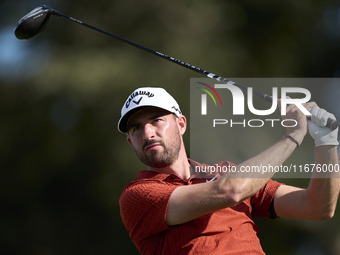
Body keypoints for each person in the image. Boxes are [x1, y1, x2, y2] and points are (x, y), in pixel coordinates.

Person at [118, 87, 340, 255]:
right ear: (130, 142)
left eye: (157, 120)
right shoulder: (138, 195)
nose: (148, 134)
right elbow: (230, 191)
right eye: (137, 128)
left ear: (181, 124)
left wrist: (326, 141)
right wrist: (293, 136)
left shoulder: (227, 173)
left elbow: (317, 207)